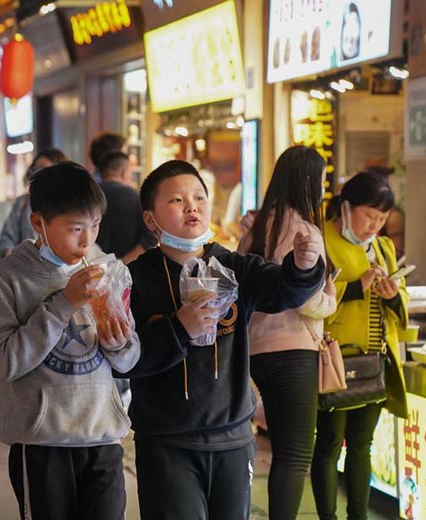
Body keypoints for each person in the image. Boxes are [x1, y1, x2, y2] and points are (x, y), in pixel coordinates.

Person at [120, 160, 325, 519]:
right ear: (151, 220)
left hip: (233, 439)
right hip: (167, 442)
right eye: (177, 200)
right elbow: (126, 360)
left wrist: (304, 268)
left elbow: (283, 291)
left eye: (199, 196)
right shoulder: (134, 279)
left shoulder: (233, 267)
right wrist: (178, 328)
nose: (192, 206)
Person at [0, 162, 141, 520]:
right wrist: (65, 303)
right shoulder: (9, 278)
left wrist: (119, 344)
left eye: (95, 225)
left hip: (101, 434)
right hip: (42, 440)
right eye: (75, 229)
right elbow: (5, 363)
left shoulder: (106, 271)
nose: (87, 240)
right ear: (38, 223)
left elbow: (129, 361)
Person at [237, 146, 336, 520]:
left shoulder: (255, 230)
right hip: (294, 351)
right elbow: (306, 300)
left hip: (254, 349)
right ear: (309, 182)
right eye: (322, 180)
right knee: (295, 454)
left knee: (278, 449)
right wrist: (331, 298)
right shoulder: (304, 232)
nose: (324, 188)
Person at [310, 171, 410, 520]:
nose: (375, 225)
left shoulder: (383, 247)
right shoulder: (320, 239)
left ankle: (358, 516)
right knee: (329, 444)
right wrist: (357, 286)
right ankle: (328, 516)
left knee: (362, 444)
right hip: (333, 358)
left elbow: (401, 303)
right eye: (369, 216)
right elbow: (310, 298)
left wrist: (394, 294)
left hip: (373, 359)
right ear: (346, 206)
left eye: (382, 219)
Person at [0, 148, 67, 258]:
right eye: (35, 170)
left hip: (61, 271)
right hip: (25, 269)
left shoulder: (70, 205)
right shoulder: (23, 203)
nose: (37, 175)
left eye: (44, 170)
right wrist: (11, 257)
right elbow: (8, 237)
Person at [95, 151, 157, 264]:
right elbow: (150, 238)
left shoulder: (89, 197)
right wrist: (122, 263)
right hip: (128, 270)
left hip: (89, 268)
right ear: (124, 172)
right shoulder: (136, 197)